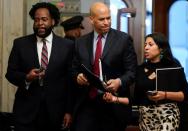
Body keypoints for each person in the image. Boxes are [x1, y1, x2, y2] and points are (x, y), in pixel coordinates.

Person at [5, 2, 74, 131]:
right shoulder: (20, 44)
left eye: (44, 19)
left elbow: (70, 81)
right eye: (36, 20)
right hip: (26, 112)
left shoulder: (67, 46)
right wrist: (27, 77)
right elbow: (10, 73)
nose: (40, 23)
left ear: (53, 21)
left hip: (55, 113)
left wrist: (69, 111)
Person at [103, 32, 188, 131]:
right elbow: (136, 99)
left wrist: (165, 95)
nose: (146, 48)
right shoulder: (140, 69)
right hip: (146, 118)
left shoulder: (173, 66)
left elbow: (187, 94)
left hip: (167, 116)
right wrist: (114, 99)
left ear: (161, 48)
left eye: (150, 44)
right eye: (145, 45)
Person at [71, 2, 137, 131]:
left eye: (108, 18)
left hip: (113, 105)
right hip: (86, 104)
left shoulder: (123, 40)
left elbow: (132, 72)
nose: (106, 22)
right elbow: (73, 69)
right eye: (102, 19)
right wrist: (77, 77)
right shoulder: (80, 42)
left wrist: (119, 81)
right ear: (91, 19)